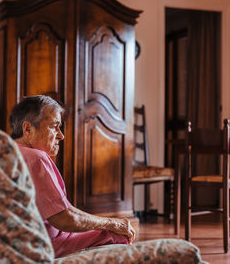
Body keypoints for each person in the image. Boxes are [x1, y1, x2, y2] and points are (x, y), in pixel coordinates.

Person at [9, 95, 136, 257]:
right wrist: (113, 224)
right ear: (28, 129)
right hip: (43, 245)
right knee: (117, 235)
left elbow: (65, 212)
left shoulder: (10, 151)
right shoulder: (35, 158)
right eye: (54, 126)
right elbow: (64, 218)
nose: (61, 135)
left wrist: (110, 223)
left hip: (30, 241)